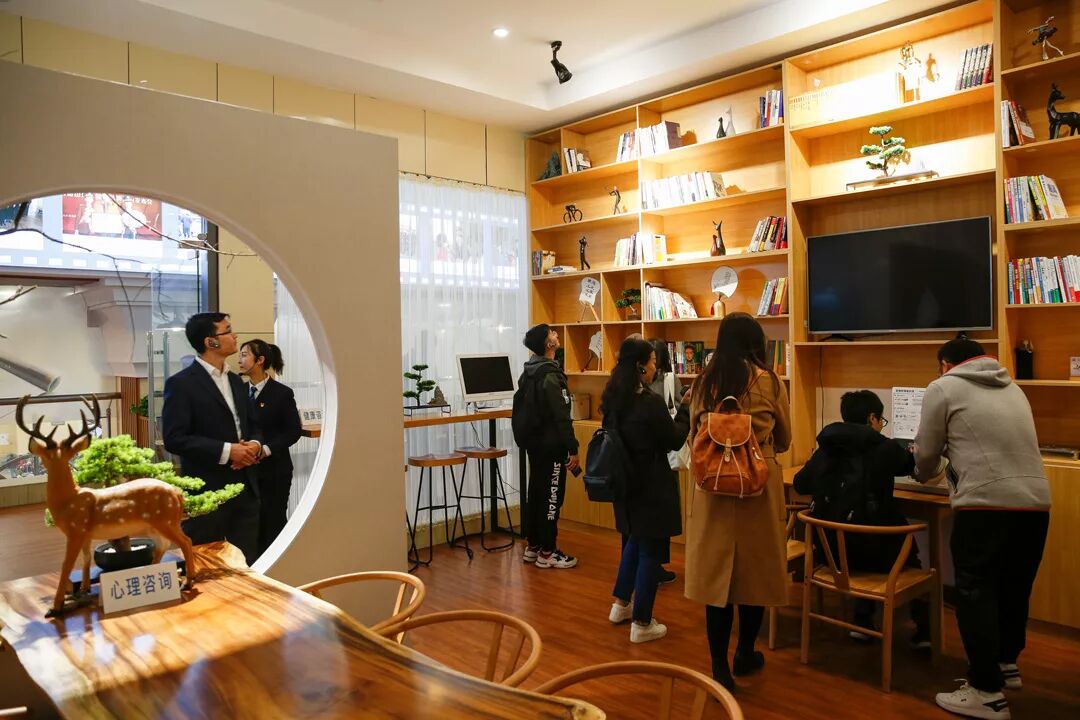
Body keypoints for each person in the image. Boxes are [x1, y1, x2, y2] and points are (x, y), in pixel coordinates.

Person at [913, 338, 1051, 720]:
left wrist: (922, 471)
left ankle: (986, 691)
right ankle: (1005, 664)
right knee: (1013, 588)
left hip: (985, 503)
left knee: (975, 592)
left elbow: (927, 453)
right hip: (1036, 503)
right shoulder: (1013, 387)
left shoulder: (943, 387)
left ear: (945, 363)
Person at [684, 312, 791, 691]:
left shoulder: (704, 381)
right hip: (757, 487)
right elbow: (785, 439)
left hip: (712, 488)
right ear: (756, 343)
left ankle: (718, 666)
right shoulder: (769, 381)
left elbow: (693, 432)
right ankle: (745, 652)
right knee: (754, 576)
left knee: (717, 581)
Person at [792, 389, 930, 647]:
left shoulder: (826, 448)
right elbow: (914, 466)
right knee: (906, 551)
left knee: (862, 531)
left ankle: (862, 621)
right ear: (872, 418)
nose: (881, 425)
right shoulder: (885, 448)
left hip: (831, 553)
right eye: (881, 420)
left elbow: (800, 484)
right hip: (874, 553)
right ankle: (924, 632)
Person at [603, 337, 690, 643]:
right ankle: (642, 622)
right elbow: (674, 439)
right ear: (640, 366)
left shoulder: (613, 399)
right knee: (651, 549)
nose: (656, 367)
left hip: (625, 484)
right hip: (651, 485)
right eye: (653, 361)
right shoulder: (648, 402)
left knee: (634, 542)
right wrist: (686, 408)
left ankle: (621, 604)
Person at [162, 312, 263, 564]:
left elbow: (253, 425)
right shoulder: (182, 384)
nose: (235, 335)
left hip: (245, 485)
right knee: (205, 563)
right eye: (227, 331)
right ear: (210, 342)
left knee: (247, 561)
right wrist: (229, 451)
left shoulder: (236, 381)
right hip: (207, 488)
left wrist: (253, 446)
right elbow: (174, 438)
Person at [518, 323, 580, 569]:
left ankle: (533, 546)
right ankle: (548, 552)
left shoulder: (529, 372)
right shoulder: (551, 375)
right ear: (549, 344)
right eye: (552, 333)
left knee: (537, 493)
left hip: (534, 445)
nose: (556, 334)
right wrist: (572, 448)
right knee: (552, 497)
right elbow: (562, 417)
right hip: (552, 446)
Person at [238, 339, 303, 556]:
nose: (240, 360)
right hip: (245, 471)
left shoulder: (282, 393)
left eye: (244, 355)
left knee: (273, 524)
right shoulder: (238, 392)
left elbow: (293, 432)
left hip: (274, 471)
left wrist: (266, 449)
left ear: (260, 360)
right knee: (248, 527)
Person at [646, 338, 684, 585]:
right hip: (657, 454)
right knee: (657, 513)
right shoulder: (640, 382)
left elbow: (677, 408)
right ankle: (651, 567)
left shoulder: (669, 379)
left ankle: (655, 564)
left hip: (661, 454)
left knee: (661, 514)